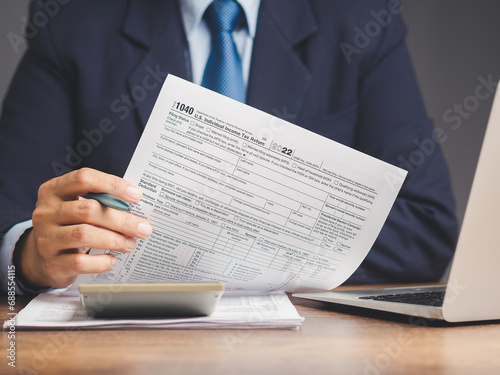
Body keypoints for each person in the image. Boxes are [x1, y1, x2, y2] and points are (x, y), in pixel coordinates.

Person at [0, 0, 459, 294]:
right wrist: (30, 260)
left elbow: (426, 226)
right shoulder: (74, 20)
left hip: (311, 349)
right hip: (127, 349)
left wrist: (238, 235)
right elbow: (9, 222)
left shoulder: (360, 17)